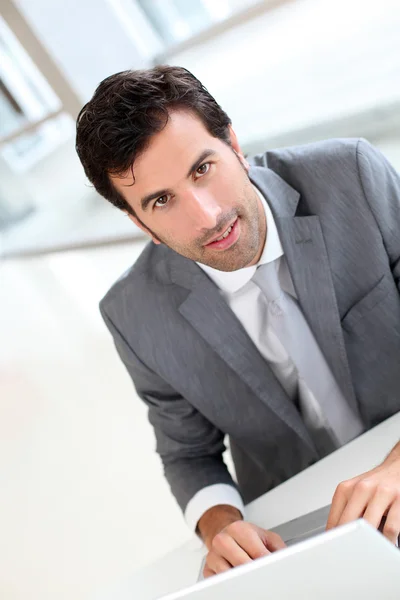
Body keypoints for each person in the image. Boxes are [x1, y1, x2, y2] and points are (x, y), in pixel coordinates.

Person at [75, 65, 400, 578]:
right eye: (162, 201)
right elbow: (188, 454)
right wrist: (221, 525)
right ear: (141, 224)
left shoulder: (352, 177)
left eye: (202, 169)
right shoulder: (133, 315)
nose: (206, 217)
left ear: (234, 144)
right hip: (304, 522)